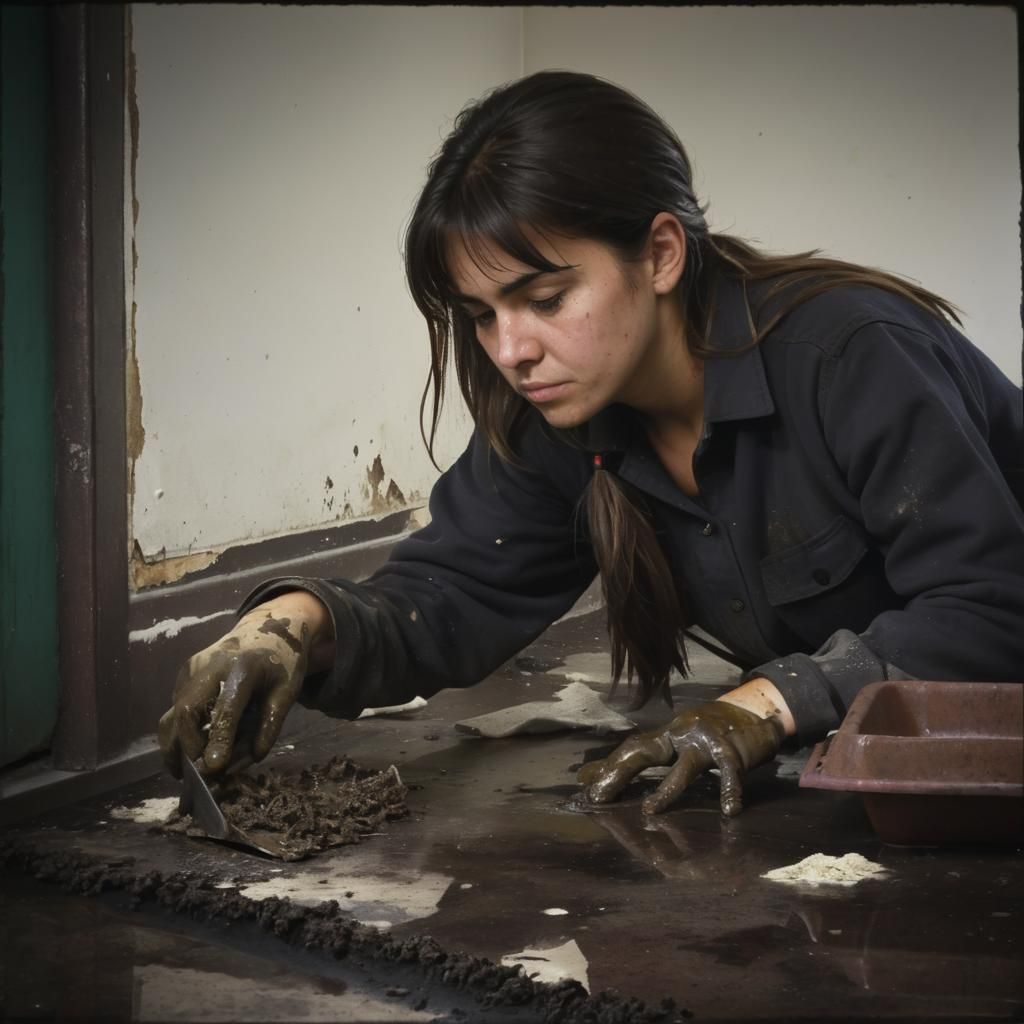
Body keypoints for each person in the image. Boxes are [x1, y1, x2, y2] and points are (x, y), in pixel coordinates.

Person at [158, 70, 1024, 817]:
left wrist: (763, 706)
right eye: (483, 315)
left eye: (545, 298)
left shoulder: (850, 353)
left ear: (659, 254)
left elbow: (993, 612)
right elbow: (452, 591)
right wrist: (288, 626)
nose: (511, 350)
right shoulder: (564, 416)